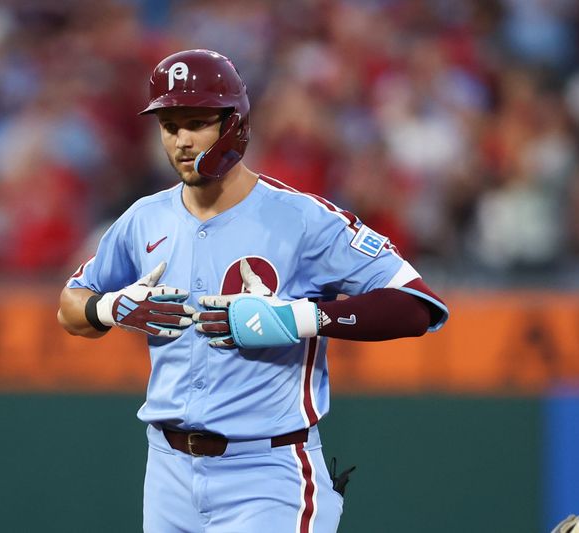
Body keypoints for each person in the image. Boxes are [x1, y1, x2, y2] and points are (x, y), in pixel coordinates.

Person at [58, 49, 449, 533]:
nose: (180, 141)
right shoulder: (144, 218)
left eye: (196, 122)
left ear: (234, 123)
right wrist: (110, 308)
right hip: (166, 470)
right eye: (169, 125)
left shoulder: (302, 219)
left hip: (267, 470)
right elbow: (69, 306)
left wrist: (297, 318)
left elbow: (417, 306)